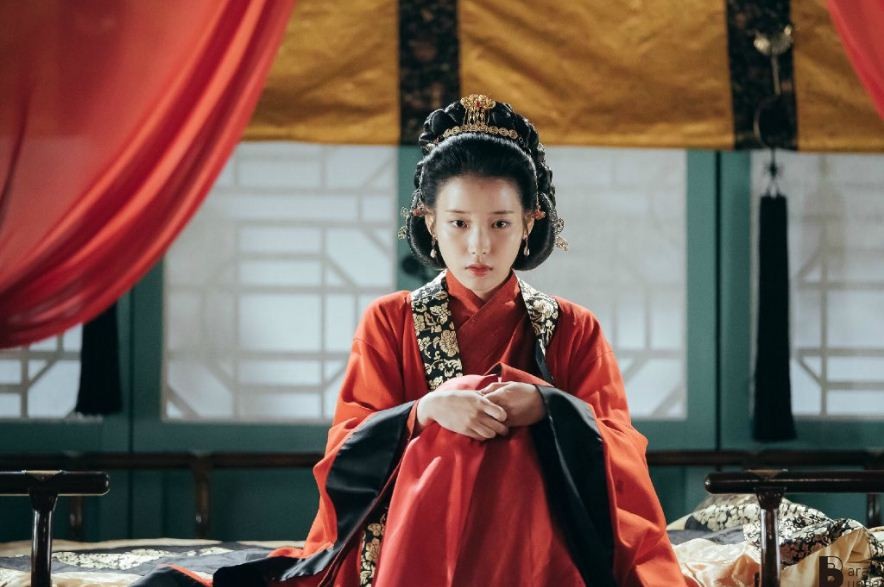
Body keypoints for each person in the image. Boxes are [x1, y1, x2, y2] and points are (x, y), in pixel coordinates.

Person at [138, 95, 686, 586]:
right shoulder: (390, 320)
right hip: (408, 532)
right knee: (454, 417)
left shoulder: (574, 327)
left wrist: (547, 407)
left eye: (499, 224)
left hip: (541, 541)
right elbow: (347, 446)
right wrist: (423, 413)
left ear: (529, 223)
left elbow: (620, 448)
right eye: (458, 223)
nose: (479, 245)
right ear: (429, 223)